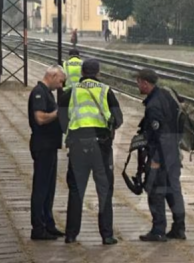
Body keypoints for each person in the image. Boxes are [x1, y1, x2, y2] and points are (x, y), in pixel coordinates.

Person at [61, 59, 123, 245]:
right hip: (101, 147)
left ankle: (71, 235)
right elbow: (118, 119)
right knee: (104, 191)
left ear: (81, 72)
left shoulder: (70, 93)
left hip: (77, 146)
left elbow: (62, 121)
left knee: (76, 191)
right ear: (98, 72)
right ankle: (107, 235)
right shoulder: (106, 91)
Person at [135, 69, 186, 242]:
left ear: (145, 83)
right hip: (174, 152)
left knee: (156, 191)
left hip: (162, 154)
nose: (138, 86)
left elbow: (160, 135)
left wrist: (156, 160)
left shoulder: (154, 105)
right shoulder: (167, 93)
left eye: (138, 82)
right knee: (173, 191)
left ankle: (158, 230)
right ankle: (179, 228)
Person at [28, 66, 67, 241]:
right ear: (51, 76)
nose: (61, 85)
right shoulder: (39, 92)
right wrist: (58, 113)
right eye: (60, 81)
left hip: (50, 145)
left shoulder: (47, 92)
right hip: (42, 145)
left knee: (49, 188)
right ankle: (38, 228)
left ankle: (48, 223)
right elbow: (40, 118)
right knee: (41, 188)